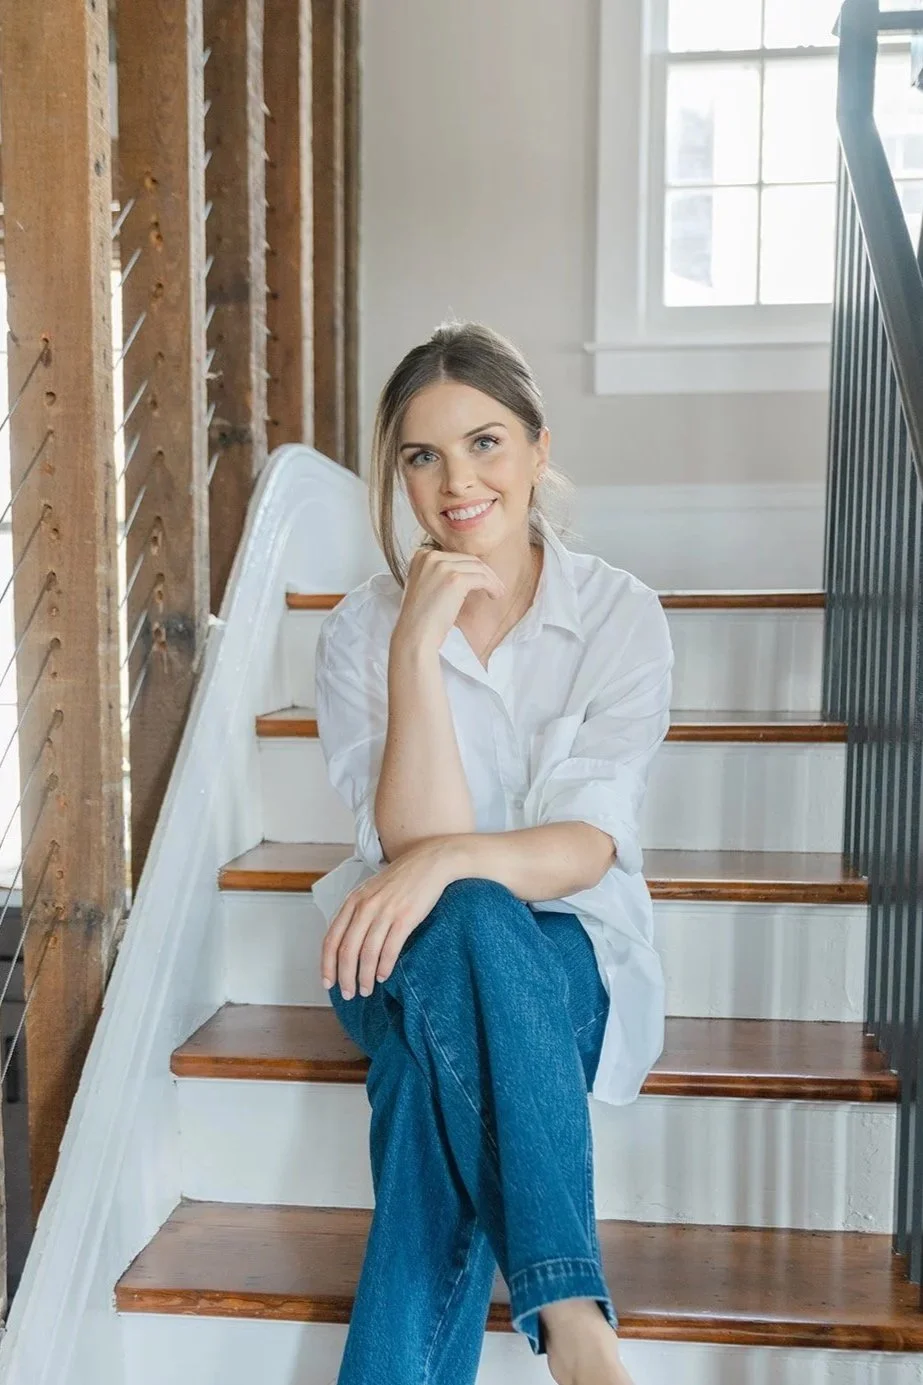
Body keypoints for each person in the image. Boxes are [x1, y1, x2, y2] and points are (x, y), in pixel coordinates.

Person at [312, 320, 674, 1385]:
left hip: (569, 955)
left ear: (536, 449)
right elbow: (412, 849)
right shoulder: (358, 631)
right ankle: (569, 1313)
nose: (455, 479)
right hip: (387, 952)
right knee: (459, 921)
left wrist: (438, 865)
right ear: (398, 477)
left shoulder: (619, 615)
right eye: (421, 456)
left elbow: (583, 847)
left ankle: (560, 1318)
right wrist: (413, 648)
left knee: (432, 1084)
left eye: (484, 442)